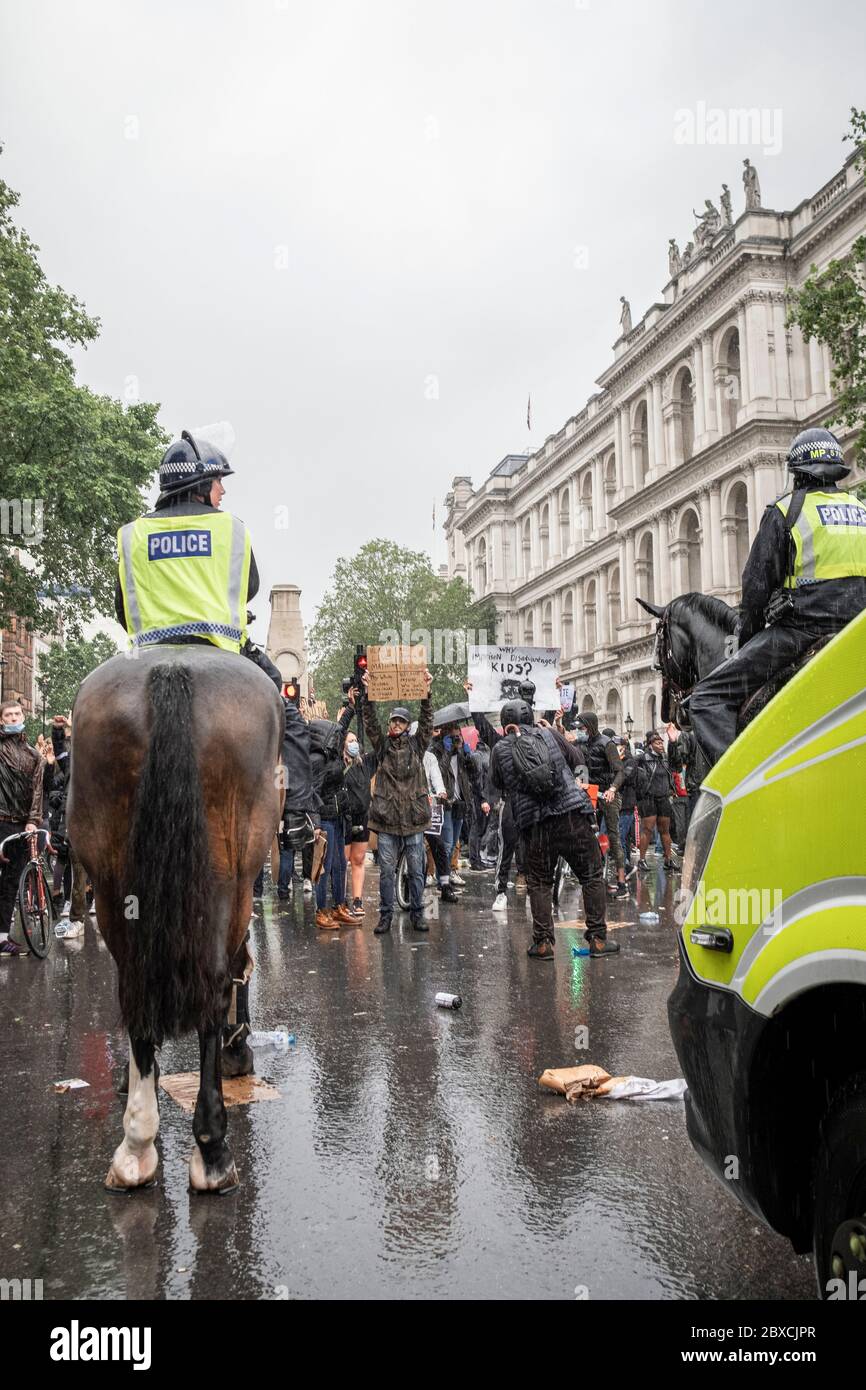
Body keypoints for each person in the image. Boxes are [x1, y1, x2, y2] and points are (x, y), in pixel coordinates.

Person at [689, 428, 866, 766]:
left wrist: (748, 637)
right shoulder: (861, 509)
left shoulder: (786, 511)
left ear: (798, 473)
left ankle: (738, 783)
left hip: (803, 632)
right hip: (859, 632)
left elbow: (755, 587)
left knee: (706, 698)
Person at [489, 700, 617, 960]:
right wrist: (555, 735)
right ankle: (598, 939)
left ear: (505, 723)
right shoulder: (547, 733)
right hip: (571, 814)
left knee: (539, 882)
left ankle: (544, 943)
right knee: (591, 875)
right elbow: (578, 759)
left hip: (535, 825)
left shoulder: (500, 748)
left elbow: (496, 782)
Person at [115, 430, 258, 658]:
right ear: (200, 485)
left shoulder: (132, 534)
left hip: (147, 651)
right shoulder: (232, 529)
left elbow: (123, 608)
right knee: (273, 680)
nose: (222, 489)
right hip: (222, 646)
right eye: (218, 480)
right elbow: (249, 589)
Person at [361, 667, 434, 935]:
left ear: (407, 725)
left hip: (414, 819)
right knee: (386, 872)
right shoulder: (382, 748)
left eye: (400, 722)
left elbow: (428, 722)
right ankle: (385, 916)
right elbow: (370, 723)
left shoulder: (417, 745)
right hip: (387, 820)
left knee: (416, 871)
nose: (394, 725)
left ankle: (417, 913)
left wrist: (426, 693)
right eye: (392, 721)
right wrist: (368, 695)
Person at [0, 699, 43, 956]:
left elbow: (38, 792)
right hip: (0, 821)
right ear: (2, 720)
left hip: (21, 824)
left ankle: (2, 936)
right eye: (9, 715)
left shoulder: (33, 755)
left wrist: (33, 821)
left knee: (11, 883)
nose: (14, 718)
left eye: (17, 714)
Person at [309, 707, 356, 928]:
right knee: (323, 867)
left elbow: (342, 727)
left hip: (338, 818)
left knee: (339, 865)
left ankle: (339, 906)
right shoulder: (317, 760)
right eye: (335, 735)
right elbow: (313, 793)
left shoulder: (333, 753)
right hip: (325, 819)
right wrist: (316, 824)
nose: (340, 739)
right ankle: (321, 910)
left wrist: (352, 706)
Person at [574, 712, 629, 899]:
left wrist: (612, 789)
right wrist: (558, 723)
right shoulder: (581, 744)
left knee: (613, 837)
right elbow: (564, 742)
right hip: (590, 793)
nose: (580, 731)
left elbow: (620, 771)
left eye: (582, 728)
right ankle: (598, 879)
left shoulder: (607, 744)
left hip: (608, 795)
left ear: (590, 726)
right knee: (589, 836)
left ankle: (622, 882)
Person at [340, 687, 377, 918]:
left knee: (359, 859)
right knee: (342, 861)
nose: (354, 744)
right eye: (349, 741)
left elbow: (378, 740)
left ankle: (357, 899)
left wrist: (366, 703)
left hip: (362, 818)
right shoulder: (337, 763)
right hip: (343, 818)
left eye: (356, 740)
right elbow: (338, 734)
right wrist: (350, 709)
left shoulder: (366, 763)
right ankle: (340, 900)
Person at [636, 731, 678, 872]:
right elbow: (629, 770)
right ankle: (641, 860)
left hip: (663, 797)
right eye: (657, 743)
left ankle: (668, 860)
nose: (661, 745)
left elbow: (677, 763)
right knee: (647, 829)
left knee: (665, 830)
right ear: (650, 745)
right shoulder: (642, 758)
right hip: (648, 798)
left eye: (661, 742)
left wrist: (672, 742)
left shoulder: (665, 759)